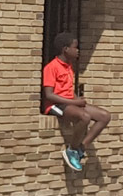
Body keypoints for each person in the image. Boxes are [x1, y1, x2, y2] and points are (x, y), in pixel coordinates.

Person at [41, 32, 110, 171]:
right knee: (84, 117)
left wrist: (76, 99)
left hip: (69, 102)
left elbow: (67, 89)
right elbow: (49, 95)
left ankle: (80, 148)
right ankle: (71, 150)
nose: (77, 50)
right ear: (65, 49)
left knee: (104, 116)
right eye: (75, 47)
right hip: (56, 105)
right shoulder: (51, 67)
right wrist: (74, 103)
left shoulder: (69, 66)